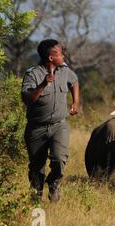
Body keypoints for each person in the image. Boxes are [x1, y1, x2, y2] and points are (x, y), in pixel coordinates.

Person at [21, 39, 80, 202]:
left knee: (60, 159)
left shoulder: (64, 70)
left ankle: (54, 185)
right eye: (60, 53)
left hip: (59, 125)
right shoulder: (33, 74)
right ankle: (36, 197)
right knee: (36, 166)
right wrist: (42, 85)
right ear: (51, 57)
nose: (63, 55)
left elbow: (74, 82)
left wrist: (75, 102)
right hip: (36, 128)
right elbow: (27, 99)